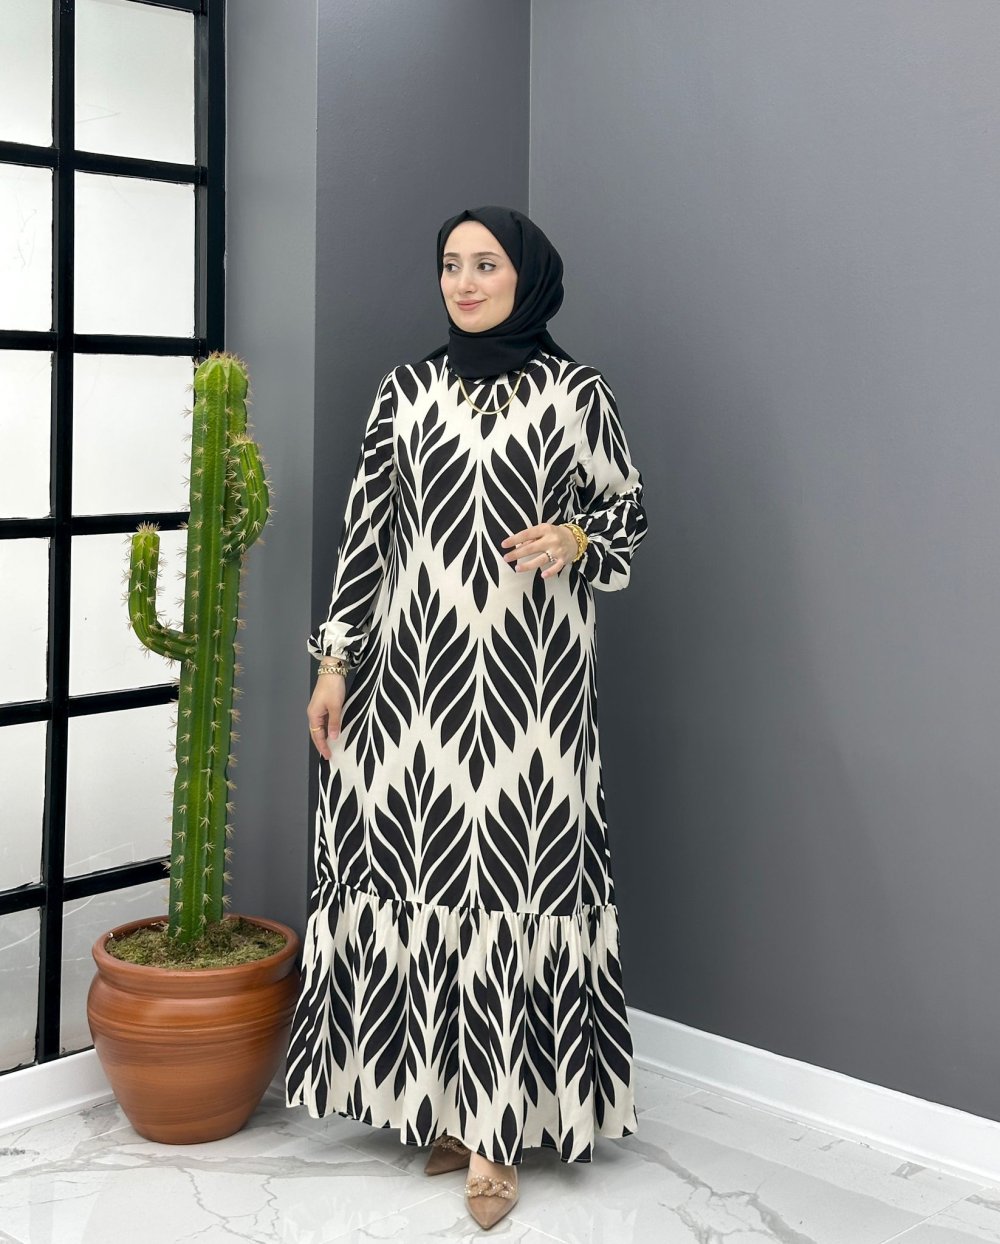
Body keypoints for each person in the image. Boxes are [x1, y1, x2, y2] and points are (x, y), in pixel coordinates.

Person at [285, 205, 649, 1230]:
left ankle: (497, 1134)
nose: (465, 281)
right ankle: (446, 1107)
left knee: (514, 883)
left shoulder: (577, 394)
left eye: (486, 264)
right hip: (413, 686)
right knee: (427, 875)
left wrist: (575, 537)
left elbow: (628, 515)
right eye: (451, 264)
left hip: (531, 693)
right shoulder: (405, 391)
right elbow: (366, 535)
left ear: (526, 276)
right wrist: (333, 665)